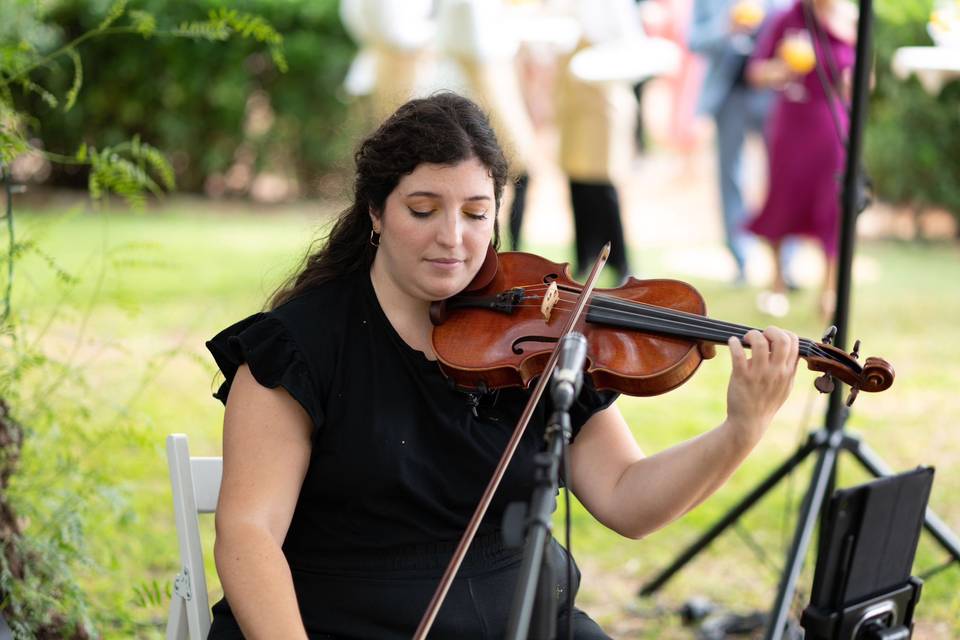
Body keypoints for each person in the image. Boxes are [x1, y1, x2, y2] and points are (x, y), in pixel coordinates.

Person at [205, 92, 801, 639]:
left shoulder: (538, 337)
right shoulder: (300, 346)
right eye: (422, 209)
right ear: (376, 213)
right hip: (348, 621)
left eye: (475, 213)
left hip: (523, 619)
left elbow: (627, 499)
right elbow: (248, 534)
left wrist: (740, 430)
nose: (452, 238)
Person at [746, 0, 856, 317]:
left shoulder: (851, 19)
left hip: (831, 124)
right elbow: (756, 71)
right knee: (782, 200)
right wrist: (781, 69)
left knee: (834, 203)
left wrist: (850, 84)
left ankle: (830, 288)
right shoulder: (787, 18)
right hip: (791, 121)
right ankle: (776, 282)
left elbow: (866, 80)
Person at [689, 0, 795, 289]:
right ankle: (741, 260)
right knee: (730, 179)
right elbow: (694, 40)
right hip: (728, 97)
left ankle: (786, 264)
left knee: (783, 177)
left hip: (772, 95)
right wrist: (725, 28)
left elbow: (795, 28)